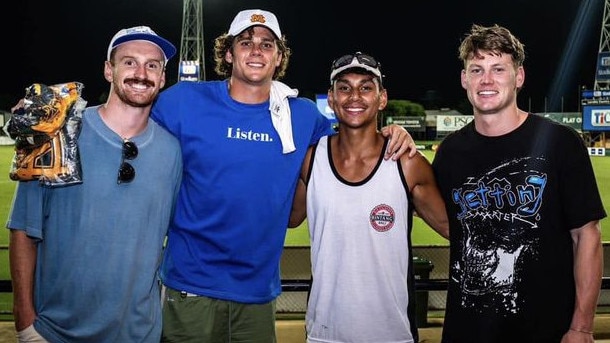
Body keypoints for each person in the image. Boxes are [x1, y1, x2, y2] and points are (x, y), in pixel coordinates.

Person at [150, 9, 416, 342]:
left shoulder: (301, 114)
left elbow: (353, 137)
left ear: (279, 57)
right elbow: (132, 129)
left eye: (267, 44)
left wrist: (394, 132)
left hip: (257, 295)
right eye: (245, 43)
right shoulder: (183, 101)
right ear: (229, 53)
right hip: (191, 288)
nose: (256, 50)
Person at [432, 24, 607, 342]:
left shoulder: (560, 142)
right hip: (468, 331)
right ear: (464, 79)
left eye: (498, 69)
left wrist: (581, 326)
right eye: (477, 69)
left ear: (519, 77)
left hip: (545, 330)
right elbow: (444, 221)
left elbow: (587, 237)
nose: (486, 80)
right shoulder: (450, 152)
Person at [7, 26, 182, 343]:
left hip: (139, 334)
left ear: (162, 77)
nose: (141, 73)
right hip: (54, 333)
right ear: (108, 69)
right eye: (129, 62)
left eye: (152, 65)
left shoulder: (172, 150)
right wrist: (25, 322)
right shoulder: (58, 134)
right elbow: (23, 229)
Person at [288, 52, 449, 343]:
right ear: (332, 98)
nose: (354, 97)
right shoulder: (311, 160)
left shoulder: (407, 163)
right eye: (344, 87)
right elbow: (288, 218)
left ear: (382, 98)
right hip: (325, 332)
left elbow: (453, 229)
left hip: (392, 333)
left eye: (365, 87)